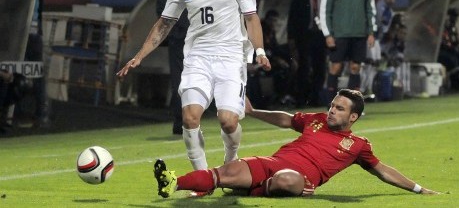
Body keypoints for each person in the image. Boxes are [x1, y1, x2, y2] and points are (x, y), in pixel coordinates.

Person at [117, 0, 271, 178]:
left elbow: (251, 17)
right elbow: (164, 23)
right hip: (197, 58)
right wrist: (140, 55)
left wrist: (260, 51)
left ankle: (230, 159)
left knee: (228, 121)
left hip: (230, 59)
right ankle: (203, 177)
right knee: (189, 118)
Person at [153, 89, 438, 198]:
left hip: (298, 177)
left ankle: (250, 189)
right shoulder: (315, 120)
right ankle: (173, 182)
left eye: (339, 109)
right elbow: (286, 120)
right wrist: (252, 113)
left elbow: (383, 171)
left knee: (288, 180)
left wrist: (417, 188)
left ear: (353, 117)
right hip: (272, 163)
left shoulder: (358, 145)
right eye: (332, 105)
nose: (332, 111)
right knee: (224, 172)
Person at [319, 0, 376, 106]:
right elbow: (325, 11)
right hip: (340, 35)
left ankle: (353, 106)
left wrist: (371, 32)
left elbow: (371, 9)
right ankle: (331, 105)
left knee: (355, 67)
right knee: (336, 67)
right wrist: (328, 34)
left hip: (359, 34)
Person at [156, 0, 196, 135]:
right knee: (180, 81)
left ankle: (194, 120)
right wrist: (182, 29)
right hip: (180, 39)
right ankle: (180, 122)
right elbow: (162, 9)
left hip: (202, 41)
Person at [14, 0, 49, 128]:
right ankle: (17, 114)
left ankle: (41, 114)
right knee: (18, 74)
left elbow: (38, 15)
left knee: (39, 75)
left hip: (35, 38)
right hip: (21, 37)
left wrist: (40, 34)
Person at [287, 0, 327, 107]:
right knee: (304, 67)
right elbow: (292, 18)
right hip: (305, 36)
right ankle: (301, 100)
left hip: (321, 36)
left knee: (320, 68)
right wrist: (291, 37)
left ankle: (316, 98)